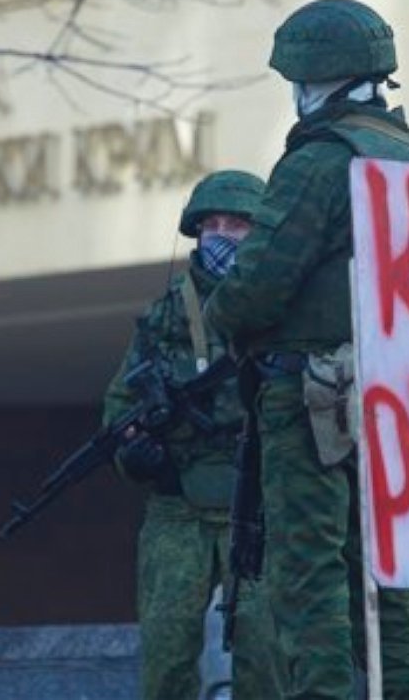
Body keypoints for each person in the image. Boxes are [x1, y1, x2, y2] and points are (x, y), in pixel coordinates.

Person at [204, 0, 409, 700]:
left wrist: (221, 305)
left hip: (312, 398)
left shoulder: (319, 161)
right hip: (396, 394)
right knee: (385, 577)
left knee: (311, 574)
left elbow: (259, 287)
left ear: (315, 78)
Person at [103, 170, 284, 700]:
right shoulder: (163, 320)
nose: (223, 235)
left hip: (256, 507)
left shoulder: (280, 311)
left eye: (238, 224)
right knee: (166, 660)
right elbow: (118, 408)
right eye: (212, 225)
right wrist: (134, 455)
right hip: (177, 509)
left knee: (266, 660)